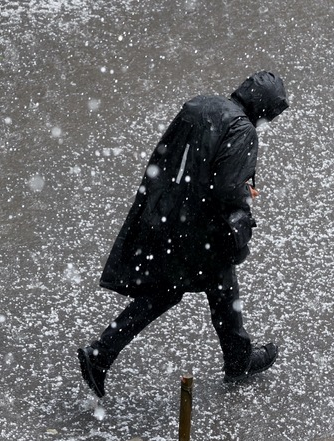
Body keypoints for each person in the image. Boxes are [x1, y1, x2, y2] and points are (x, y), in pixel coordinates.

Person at [78, 71, 289, 397]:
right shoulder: (242, 129)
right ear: (263, 109)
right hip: (201, 230)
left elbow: (170, 157)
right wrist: (246, 198)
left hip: (170, 216)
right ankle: (237, 360)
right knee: (219, 290)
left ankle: (102, 353)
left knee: (176, 291)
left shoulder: (201, 105)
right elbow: (228, 188)